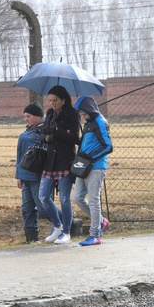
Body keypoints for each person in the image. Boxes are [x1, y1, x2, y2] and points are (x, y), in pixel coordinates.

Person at [39, 85, 81, 244]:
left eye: (54, 100)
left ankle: (67, 232)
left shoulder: (73, 114)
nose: (51, 103)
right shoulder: (49, 113)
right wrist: (47, 137)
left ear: (63, 100)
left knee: (64, 199)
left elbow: (75, 138)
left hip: (65, 161)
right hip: (49, 161)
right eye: (49, 100)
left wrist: (56, 132)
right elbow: (43, 133)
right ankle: (57, 225)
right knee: (43, 196)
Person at [73, 96, 112, 246]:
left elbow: (108, 146)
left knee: (94, 199)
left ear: (89, 110)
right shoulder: (89, 124)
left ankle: (95, 235)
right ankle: (101, 221)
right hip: (83, 167)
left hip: (96, 167)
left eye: (84, 113)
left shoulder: (100, 123)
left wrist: (90, 157)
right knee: (77, 197)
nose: (83, 117)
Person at [16, 101, 46, 243]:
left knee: (43, 208)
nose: (26, 119)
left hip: (39, 176)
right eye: (25, 116)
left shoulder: (46, 131)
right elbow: (20, 157)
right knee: (27, 208)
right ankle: (31, 237)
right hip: (26, 177)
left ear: (38, 116)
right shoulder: (25, 134)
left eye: (29, 116)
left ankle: (68, 223)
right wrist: (19, 176)